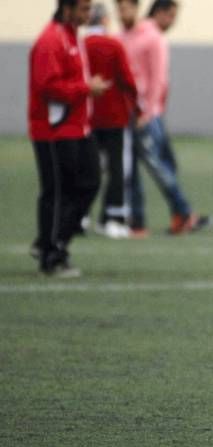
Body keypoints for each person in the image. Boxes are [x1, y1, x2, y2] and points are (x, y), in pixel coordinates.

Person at [29, 0, 110, 276]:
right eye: (84, 9)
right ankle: (50, 255)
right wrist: (86, 88)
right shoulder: (51, 41)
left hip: (78, 127)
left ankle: (53, 240)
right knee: (58, 192)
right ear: (67, 10)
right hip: (54, 129)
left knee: (89, 182)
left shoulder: (73, 36)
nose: (89, 14)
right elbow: (47, 86)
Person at [116, 0, 210, 236]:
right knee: (155, 167)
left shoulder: (143, 35)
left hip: (145, 113)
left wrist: (148, 112)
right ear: (158, 13)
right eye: (170, 16)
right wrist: (148, 113)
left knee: (155, 166)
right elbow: (155, 79)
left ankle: (156, 217)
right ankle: (180, 213)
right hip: (143, 113)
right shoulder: (142, 37)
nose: (172, 22)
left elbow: (155, 79)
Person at [85, 2, 138, 239]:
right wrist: (136, 106)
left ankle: (81, 216)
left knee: (87, 168)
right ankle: (113, 218)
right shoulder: (114, 45)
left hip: (87, 117)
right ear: (105, 20)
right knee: (116, 169)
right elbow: (127, 80)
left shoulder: (80, 45)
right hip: (115, 116)